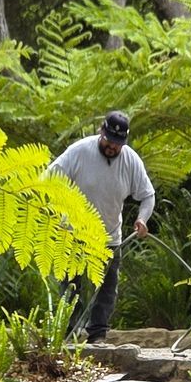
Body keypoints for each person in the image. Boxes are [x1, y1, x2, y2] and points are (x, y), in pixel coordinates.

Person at [48, 110, 155, 342]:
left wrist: (142, 219)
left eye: (117, 144)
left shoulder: (130, 161)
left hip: (109, 237)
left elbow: (148, 196)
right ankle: (69, 333)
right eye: (108, 141)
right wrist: (54, 213)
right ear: (101, 132)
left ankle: (97, 335)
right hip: (72, 234)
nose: (112, 147)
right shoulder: (79, 152)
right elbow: (48, 180)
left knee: (107, 289)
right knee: (70, 287)